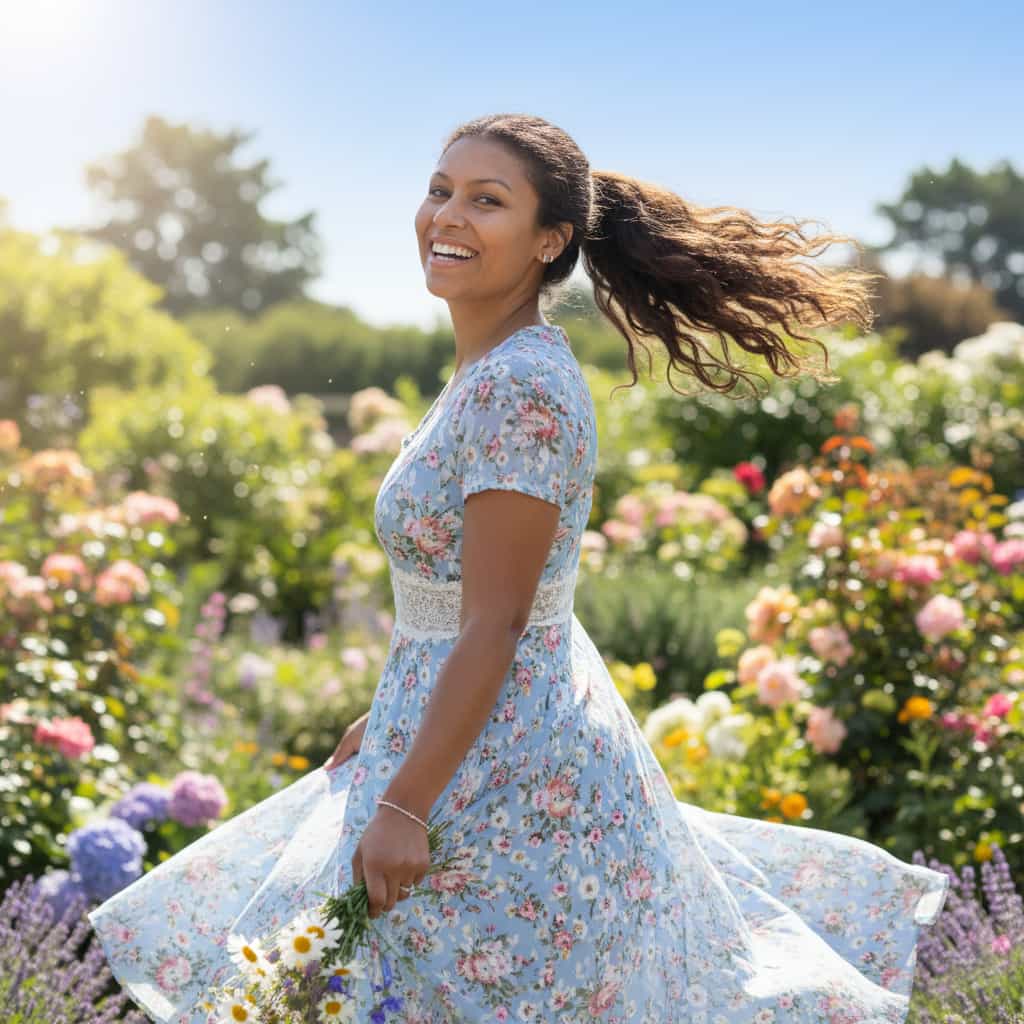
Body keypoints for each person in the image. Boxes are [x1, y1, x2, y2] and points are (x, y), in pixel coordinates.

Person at [87, 113, 949, 1023]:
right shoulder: (487, 371)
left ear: (551, 241)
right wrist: (388, 715)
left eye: (486, 201)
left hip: (499, 770)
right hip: (463, 731)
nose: (446, 216)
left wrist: (408, 806)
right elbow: (461, 603)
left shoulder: (522, 386)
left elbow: (495, 623)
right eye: (440, 190)